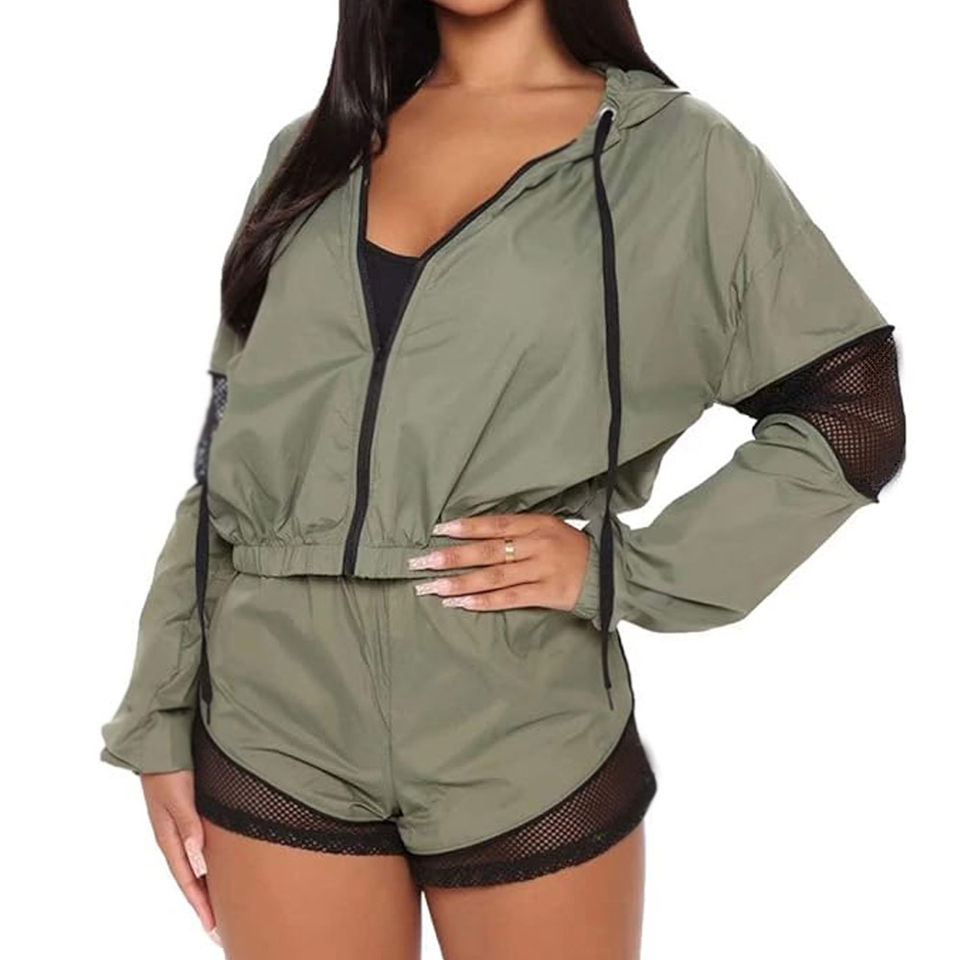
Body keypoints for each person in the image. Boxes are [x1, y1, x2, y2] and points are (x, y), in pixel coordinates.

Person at [98, 1, 907, 957]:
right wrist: (157, 713)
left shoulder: (676, 156)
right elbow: (225, 461)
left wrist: (624, 570)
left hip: (519, 716)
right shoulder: (312, 155)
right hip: (271, 713)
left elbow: (853, 407)